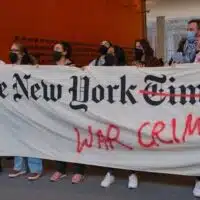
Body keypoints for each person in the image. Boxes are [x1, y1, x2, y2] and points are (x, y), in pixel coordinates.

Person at [50, 41, 85, 184]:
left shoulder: (73, 68)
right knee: (58, 139)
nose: (55, 51)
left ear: (65, 52)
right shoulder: (49, 69)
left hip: (71, 110)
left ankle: (78, 171)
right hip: (57, 110)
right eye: (54, 49)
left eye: (58, 49)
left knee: (75, 140)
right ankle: (60, 169)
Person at [8, 41, 43, 181]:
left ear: (22, 54)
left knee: (32, 137)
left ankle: (35, 168)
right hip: (14, 108)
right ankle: (19, 166)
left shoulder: (31, 69)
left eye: (15, 50)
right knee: (16, 137)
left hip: (29, 109)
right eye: (11, 50)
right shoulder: (7, 68)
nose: (11, 53)